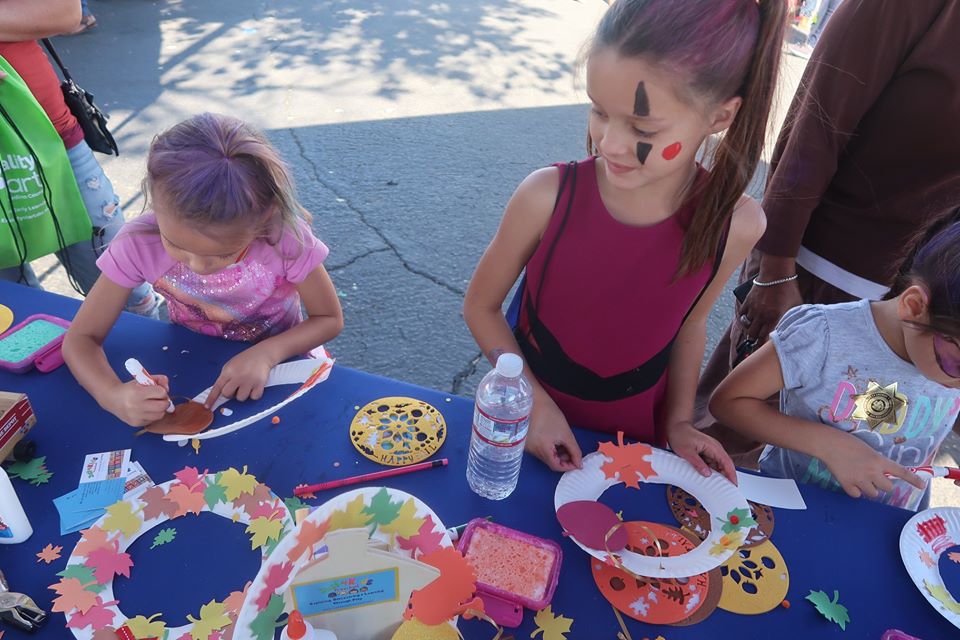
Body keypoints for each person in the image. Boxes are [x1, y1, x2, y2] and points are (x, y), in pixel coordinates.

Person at [463, 0, 786, 479]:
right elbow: (481, 307)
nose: (610, 142)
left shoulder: (735, 225)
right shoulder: (546, 196)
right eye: (599, 110)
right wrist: (530, 402)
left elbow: (690, 325)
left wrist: (679, 422)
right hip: (522, 425)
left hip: (634, 437)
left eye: (641, 127)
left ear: (720, 116)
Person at [695, 0, 960, 465]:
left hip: (920, 304)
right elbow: (814, 130)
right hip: (815, 268)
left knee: (860, 437)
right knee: (727, 440)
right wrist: (775, 269)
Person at [62, 113, 344, 427]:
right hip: (191, 361)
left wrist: (267, 353)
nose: (197, 265)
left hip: (285, 362)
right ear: (154, 202)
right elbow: (81, 339)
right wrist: (112, 396)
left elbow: (328, 319)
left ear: (265, 219)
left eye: (223, 254)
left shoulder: (284, 238)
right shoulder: (138, 243)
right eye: (176, 245)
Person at [709, 214, 960, 511]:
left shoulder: (940, 354)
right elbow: (728, 402)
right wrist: (829, 445)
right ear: (914, 307)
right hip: (795, 507)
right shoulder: (822, 335)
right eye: (955, 364)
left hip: (892, 518)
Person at [0, 0, 160, 317]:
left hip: (57, 141)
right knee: (16, 312)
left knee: (127, 298)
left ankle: (144, 365)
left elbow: (66, 12)